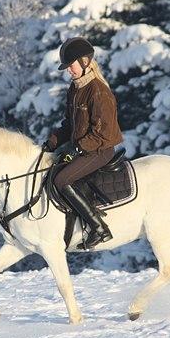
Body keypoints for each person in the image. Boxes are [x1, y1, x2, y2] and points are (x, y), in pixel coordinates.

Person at [42, 37, 124, 250]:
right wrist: (50, 144)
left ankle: (98, 227)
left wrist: (76, 148)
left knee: (62, 180)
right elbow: (69, 124)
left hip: (100, 149)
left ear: (85, 61)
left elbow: (103, 133)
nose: (69, 70)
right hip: (83, 148)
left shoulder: (98, 91)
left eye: (71, 65)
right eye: (67, 67)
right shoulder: (76, 88)